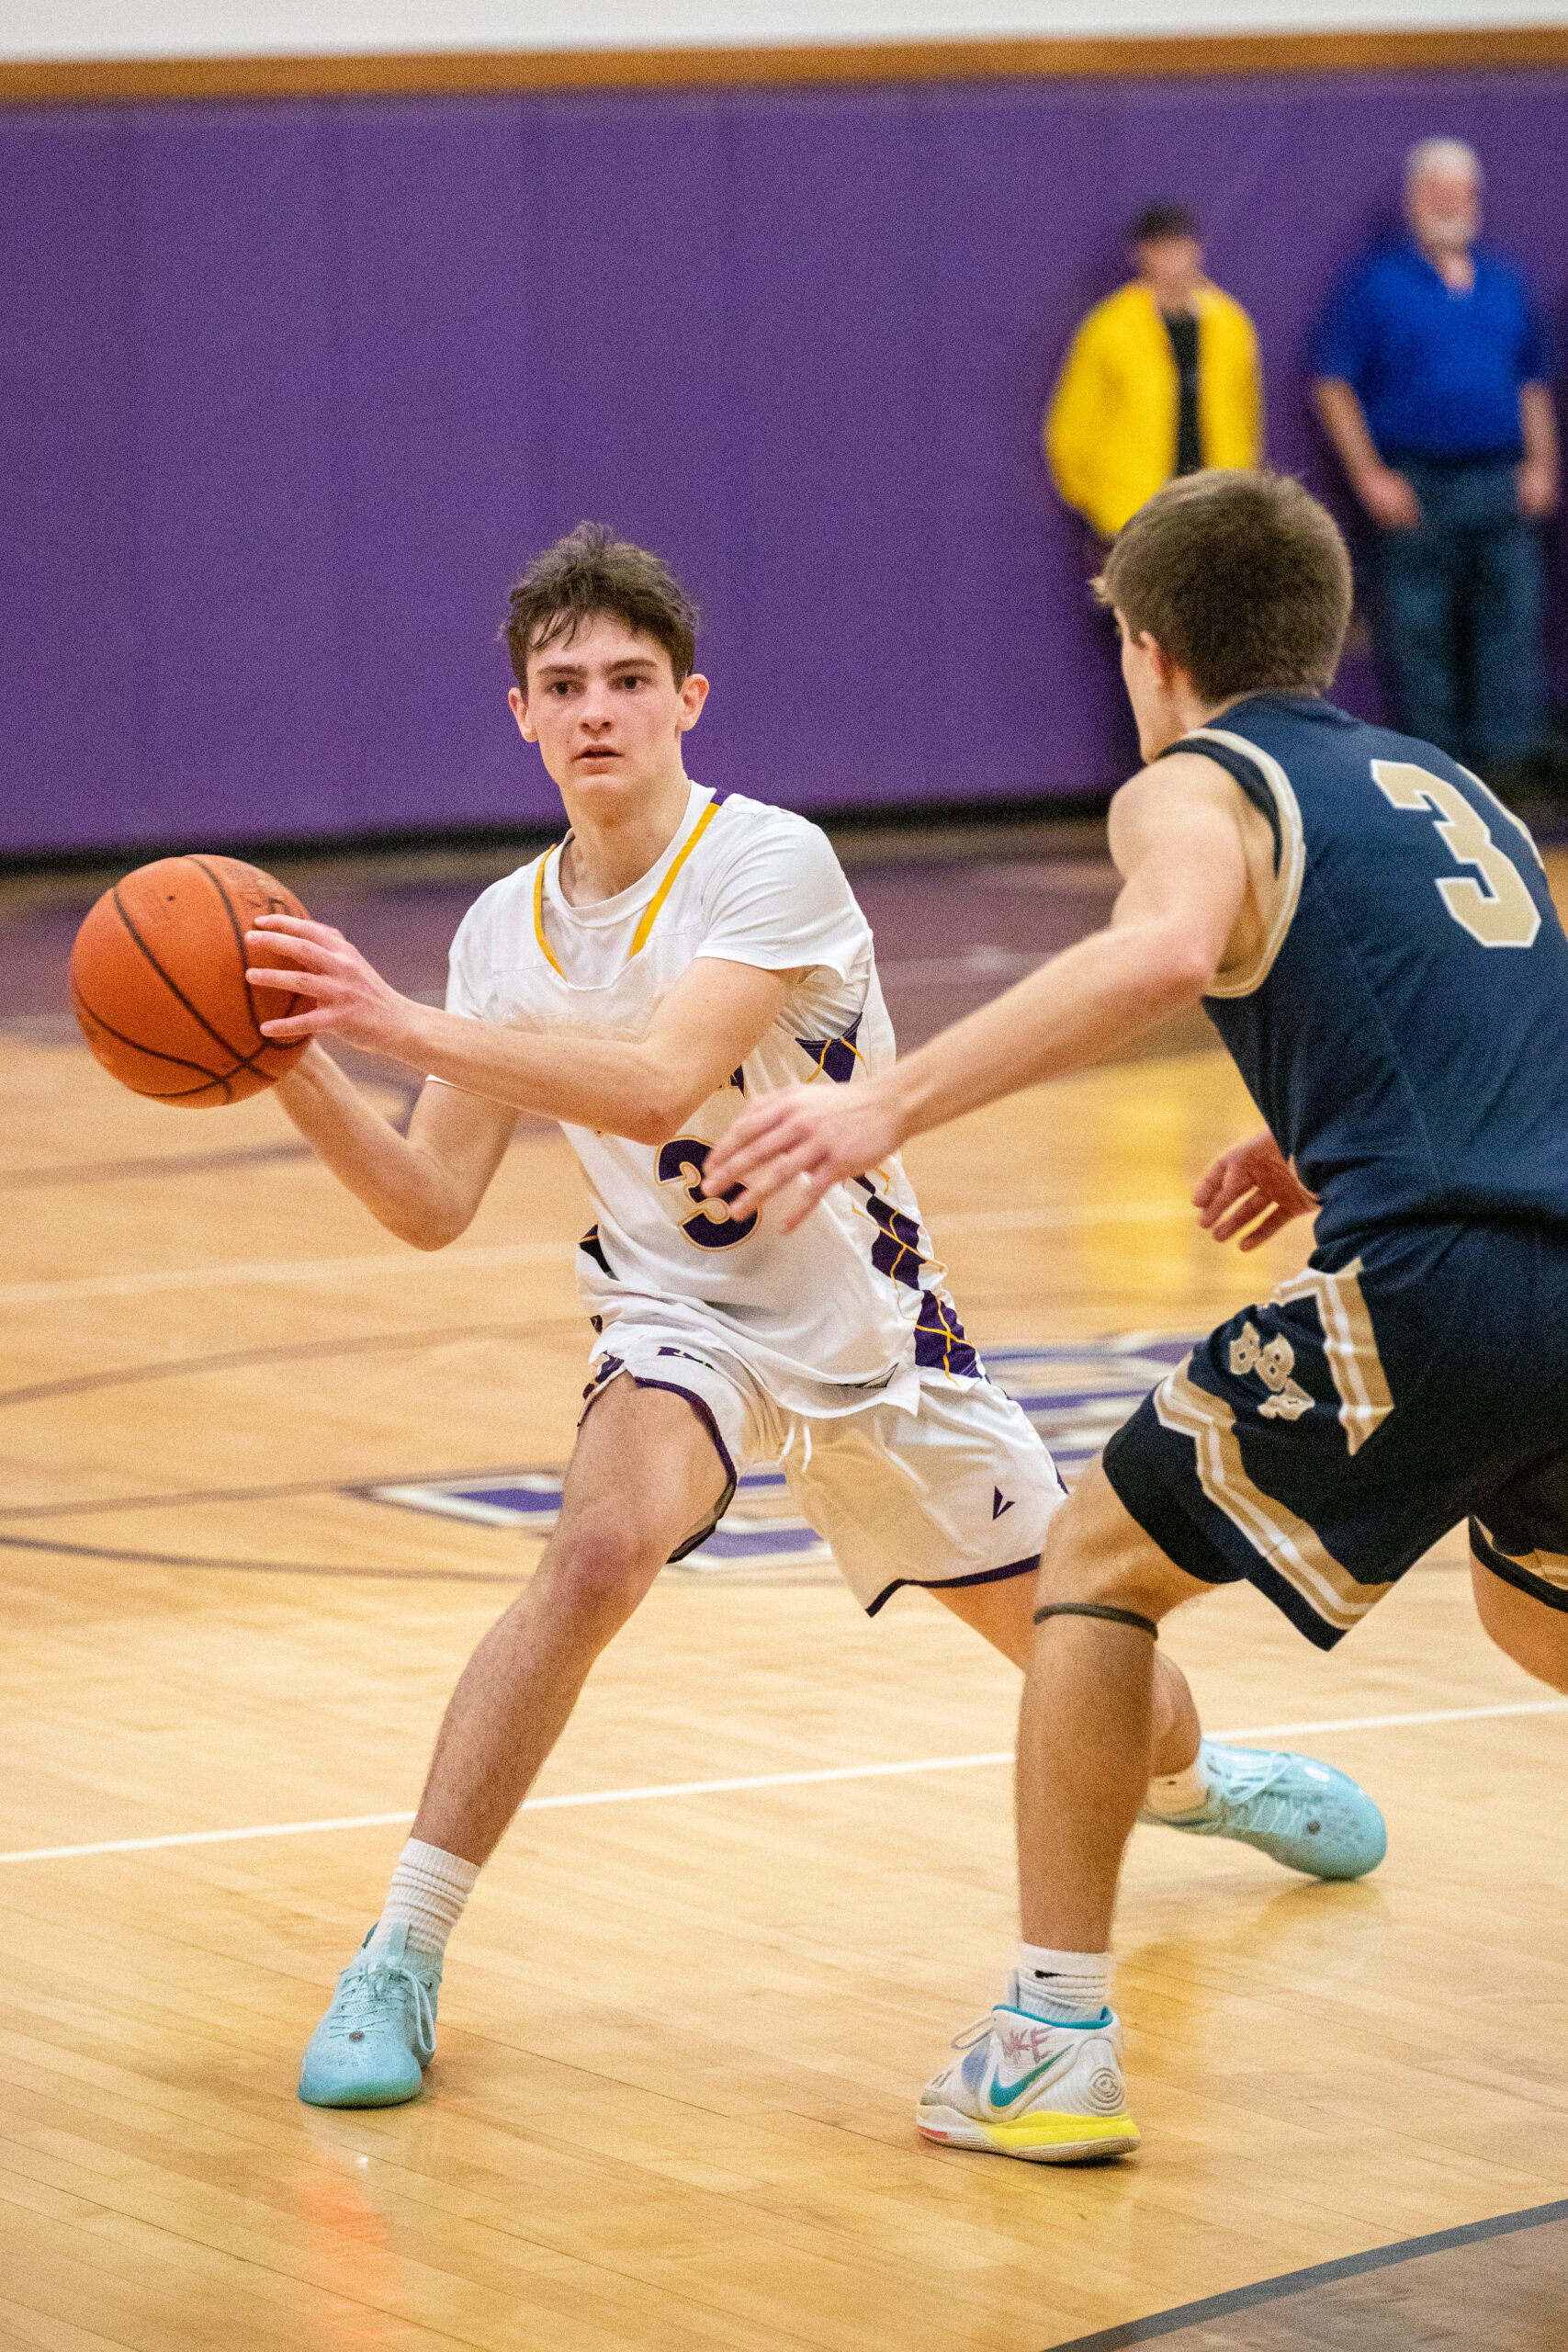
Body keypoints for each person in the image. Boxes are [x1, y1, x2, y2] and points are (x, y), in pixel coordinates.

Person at [242, 524, 1371, 2116]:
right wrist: (285, 1054)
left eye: (628, 680)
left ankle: (1198, 1784)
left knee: (1099, 1672)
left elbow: (653, 1082)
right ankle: (401, 1951)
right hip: (680, 1315)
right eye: (559, 686)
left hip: (876, 1337)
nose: (595, 712)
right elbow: (428, 1202)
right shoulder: (503, 930)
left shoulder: (768, 859)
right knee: (593, 1549)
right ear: (518, 717)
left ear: (688, 697)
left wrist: (393, 1017)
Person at [705, 469, 1568, 2165]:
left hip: (1451, 1273)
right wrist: (1323, 1133)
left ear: (1147, 647)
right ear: (1326, 634)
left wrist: (888, 1106)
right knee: (1537, 1618)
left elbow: (1165, 946)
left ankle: (1048, 2038)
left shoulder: (1193, 781)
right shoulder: (1435, 772)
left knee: (1093, 1569)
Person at [1312, 137, 1559, 786]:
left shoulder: (1502, 281)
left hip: (1499, 478)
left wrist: (1540, 461)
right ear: (1413, 200)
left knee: (1507, 622)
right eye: (1436, 192)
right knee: (1420, 631)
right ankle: (1437, 768)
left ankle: (1504, 767)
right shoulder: (1376, 284)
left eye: (1460, 192)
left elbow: (1529, 379)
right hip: (1416, 481)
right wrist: (1368, 475)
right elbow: (1333, 383)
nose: (1449, 204)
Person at [1045, 202, 1264, 544]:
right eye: (1163, 249)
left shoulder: (1230, 324)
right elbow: (1073, 421)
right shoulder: (1110, 327)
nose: (1175, 260)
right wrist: (1096, 499)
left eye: (1182, 247)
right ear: (1142, 254)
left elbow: (1245, 410)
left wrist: (1239, 482)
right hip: (1133, 509)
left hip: (1212, 507)